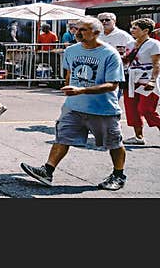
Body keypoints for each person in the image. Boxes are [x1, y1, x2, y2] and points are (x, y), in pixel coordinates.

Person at [21, 17, 127, 191]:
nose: (77, 33)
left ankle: (118, 175)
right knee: (62, 137)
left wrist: (82, 90)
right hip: (74, 106)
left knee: (113, 143)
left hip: (103, 108)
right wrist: (71, 92)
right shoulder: (71, 50)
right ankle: (47, 170)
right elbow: (70, 74)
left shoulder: (109, 53)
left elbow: (113, 84)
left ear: (96, 33)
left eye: (83, 30)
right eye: (76, 29)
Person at [120, 18, 160, 146]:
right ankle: (138, 137)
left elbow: (157, 64)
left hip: (147, 79)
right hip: (132, 79)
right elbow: (127, 61)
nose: (132, 30)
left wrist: (153, 81)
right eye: (132, 28)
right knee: (132, 109)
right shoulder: (130, 44)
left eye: (135, 28)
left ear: (146, 30)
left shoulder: (154, 44)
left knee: (146, 108)